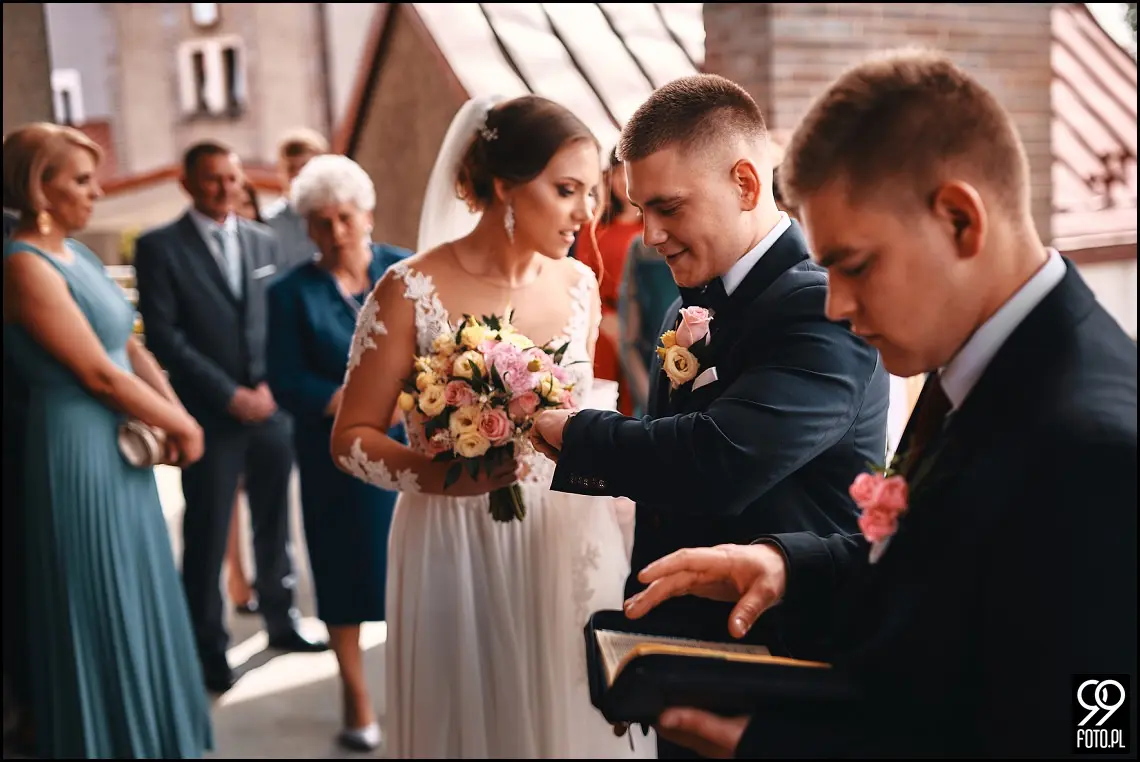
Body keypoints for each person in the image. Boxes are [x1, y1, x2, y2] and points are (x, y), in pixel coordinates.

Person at [622, 49, 1138, 759]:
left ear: (960, 219)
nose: (837, 305)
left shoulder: (1093, 448)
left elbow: (1091, 737)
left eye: (854, 266)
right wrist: (788, 567)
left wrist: (778, 749)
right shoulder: (985, 365)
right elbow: (941, 564)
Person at [531, 74, 889, 752]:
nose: (649, 235)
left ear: (748, 185)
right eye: (640, 210)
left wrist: (577, 433)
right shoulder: (688, 303)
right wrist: (652, 652)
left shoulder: (818, 304)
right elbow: (670, 501)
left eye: (668, 208)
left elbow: (719, 460)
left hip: (781, 667)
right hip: (698, 660)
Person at [329, 94, 653, 759]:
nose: (586, 213)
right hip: (452, 534)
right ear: (504, 184)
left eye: (592, 193)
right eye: (567, 190)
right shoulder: (408, 288)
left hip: (566, 531)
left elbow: (582, 407)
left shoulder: (580, 285)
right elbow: (352, 436)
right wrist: (441, 476)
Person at [2, 122, 213, 758]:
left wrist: (176, 410)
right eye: (81, 180)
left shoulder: (79, 253)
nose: (96, 192)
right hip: (74, 451)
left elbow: (129, 346)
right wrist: (182, 426)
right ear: (40, 187)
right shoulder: (22, 265)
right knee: (95, 601)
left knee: (140, 587)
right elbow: (96, 373)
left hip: (121, 451)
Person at [133, 140, 328, 696]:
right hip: (209, 416)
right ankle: (208, 649)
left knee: (274, 524)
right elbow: (165, 338)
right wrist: (229, 395)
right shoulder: (159, 247)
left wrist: (269, 385)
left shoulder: (262, 240)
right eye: (214, 179)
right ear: (188, 183)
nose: (226, 189)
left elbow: (275, 322)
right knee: (208, 530)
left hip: (270, 409)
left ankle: (281, 619)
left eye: (233, 179)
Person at [266, 154, 411, 752]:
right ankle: (355, 692)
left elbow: (436, 350)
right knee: (342, 573)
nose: (335, 232)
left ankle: (412, 685)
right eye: (320, 222)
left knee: (406, 569)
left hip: (405, 446)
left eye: (345, 217)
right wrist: (348, 402)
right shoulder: (288, 292)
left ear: (367, 213)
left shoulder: (403, 270)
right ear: (307, 226)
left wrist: (405, 399)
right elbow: (284, 379)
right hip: (334, 454)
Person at [575, 148, 645, 415]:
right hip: (603, 322)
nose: (622, 181)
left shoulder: (652, 228)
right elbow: (584, 279)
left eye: (628, 174)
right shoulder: (593, 227)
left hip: (643, 325)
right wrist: (606, 319)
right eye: (617, 174)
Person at [264, 128, 327, 271]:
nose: (299, 175)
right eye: (291, 168)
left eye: (305, 167)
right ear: (280, 172)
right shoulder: (268, 222)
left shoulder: (341, 217)